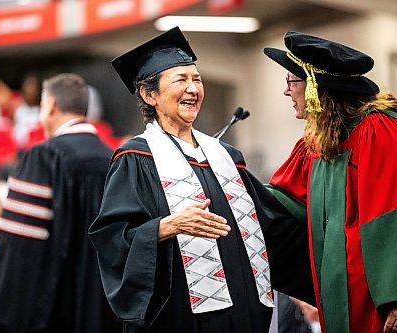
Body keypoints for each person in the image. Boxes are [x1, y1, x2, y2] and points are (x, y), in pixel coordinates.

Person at [89, 27, 314, 333]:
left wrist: (309, 283)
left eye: (197, 79)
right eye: (180, 80)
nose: (193, 88)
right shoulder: (136, 159)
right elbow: (113, 239)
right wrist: (168, 225)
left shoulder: (227, 157)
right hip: (182, 317)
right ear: (148, 94)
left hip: (247, 309)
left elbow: (274, 228)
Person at [264, 31, 397, 333]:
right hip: (343, 296)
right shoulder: (319, 143)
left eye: (291, 82)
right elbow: (281, 202)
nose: (286, 92)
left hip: (383, 304)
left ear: (314, 89)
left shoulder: (381, 131)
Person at [0, 73, 119, 332]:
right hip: (103, 305)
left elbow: (24, 245)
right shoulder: (115, 159)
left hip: (57, 307)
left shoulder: (44, 157)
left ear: (50, 105)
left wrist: (5, 242)